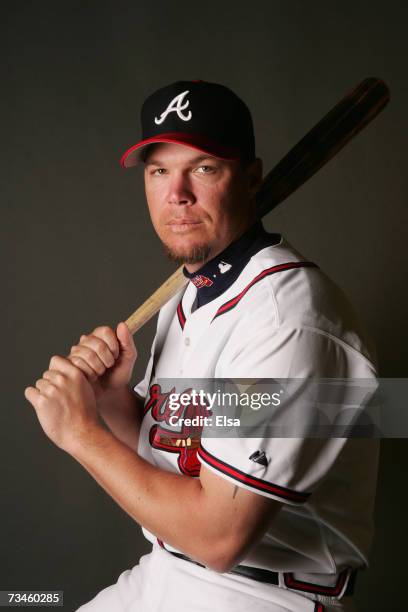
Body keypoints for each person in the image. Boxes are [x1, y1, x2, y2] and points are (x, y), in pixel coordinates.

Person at [24, 80, 379, 612]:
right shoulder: (195, 293)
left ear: (252, 178)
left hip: (261, 594)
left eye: (204, 168)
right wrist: (113, 402)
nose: (177, 194)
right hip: (169, 572)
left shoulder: (285, 322)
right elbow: (182, 453)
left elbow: (218, 537)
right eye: (159, 171)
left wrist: (79, 434)